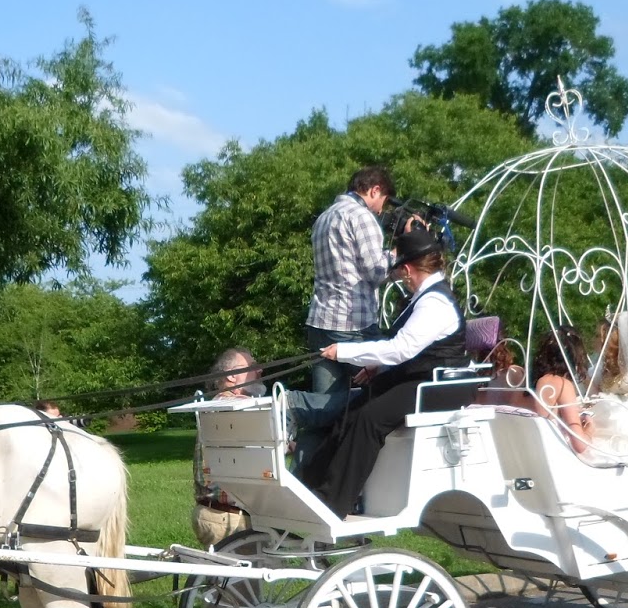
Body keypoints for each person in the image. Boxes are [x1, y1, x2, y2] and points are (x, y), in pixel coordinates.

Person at [299, 227, 465, 518]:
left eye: (401, 272)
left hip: (439, 385)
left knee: (369, 419)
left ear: (409, 268)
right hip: (420, 377)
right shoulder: (424, 298)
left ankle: (333, 503)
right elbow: (408, 350)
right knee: (352, 409)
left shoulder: (434, 303)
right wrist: (377, 366)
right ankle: (309, 484)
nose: (402, 278)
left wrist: (345, 351)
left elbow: (400, 349)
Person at [304, 165, 403, 418]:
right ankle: (296, 404)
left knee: (323, 409)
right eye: (384, 200)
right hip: (352, 323)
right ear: (375, 190)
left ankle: (304, 436)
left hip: (320, 322)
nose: (383, 208)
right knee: (392, 382)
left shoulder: (324, 218)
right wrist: (397, 255)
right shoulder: (361, 217)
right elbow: (376, 272)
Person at [191, 348, 262, 547]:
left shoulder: (216, 404)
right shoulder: (236, 404)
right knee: (241, 579)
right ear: (231, 375)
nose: (260, 370)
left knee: (222, 578)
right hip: (229, 518)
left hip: (213, 513)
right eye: (252, 366)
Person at [530, 326, 593, 454]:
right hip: (556, 454)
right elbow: (580, 445)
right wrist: (590, 429)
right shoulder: (562, 384)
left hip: (533, 450)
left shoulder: (529, 382)